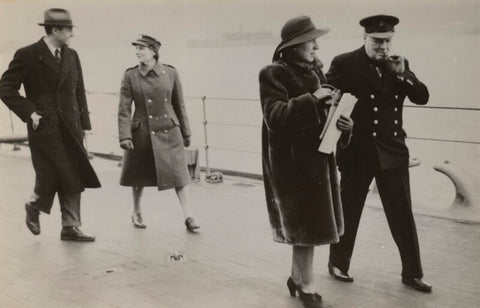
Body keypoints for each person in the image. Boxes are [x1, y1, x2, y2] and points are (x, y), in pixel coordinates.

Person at [326, 15, 432, 292]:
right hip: (357, 150)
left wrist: (402, 73)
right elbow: (326, 96)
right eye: (377, 41)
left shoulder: (397, 64)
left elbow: (422, 97)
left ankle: (413, 273)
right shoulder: (345, 62)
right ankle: (338, 263)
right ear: (365, 38)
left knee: (402, 215)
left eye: (387, 41)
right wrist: (337, 120)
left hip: (393, 152)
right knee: (348, 210)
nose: (383, 47)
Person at [259, 16, 353, 307]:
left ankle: (296, 277)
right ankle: (306, 286)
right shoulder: (274, 73)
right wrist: (314, 99)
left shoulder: (316, 70)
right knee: (306, 227)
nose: (315, 45)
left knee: (308, 225)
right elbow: (274, 116)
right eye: (310, 40)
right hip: (291, 164)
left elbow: (322, 115)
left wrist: (344, 125)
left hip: (317, 160)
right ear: (295, 45)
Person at [0, 8, 101, 241]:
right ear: (55, 30)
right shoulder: (27, 55)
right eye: (69, 30)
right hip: (45, 127)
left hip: (71, 126)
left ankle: (70, 226)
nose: (72, 35)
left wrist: (85, 123)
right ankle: (34, 205)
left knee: (74, 173)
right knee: (53, 174)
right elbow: (5, 88)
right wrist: (30, 113)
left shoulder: (72, 55)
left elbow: (79, 91)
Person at [118, 35, 199, 232]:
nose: (138, 52)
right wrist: (125, 135)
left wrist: (186, 132)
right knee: (138, 177)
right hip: (142, 133)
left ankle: (189, 216)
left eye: (142, 48)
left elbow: (179, 104)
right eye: (136, 48)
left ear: (154, 51)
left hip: (169, 131)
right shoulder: (130, 75)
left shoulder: (170, 72)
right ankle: (136, 211)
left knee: (179, 176)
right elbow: (124, 108)